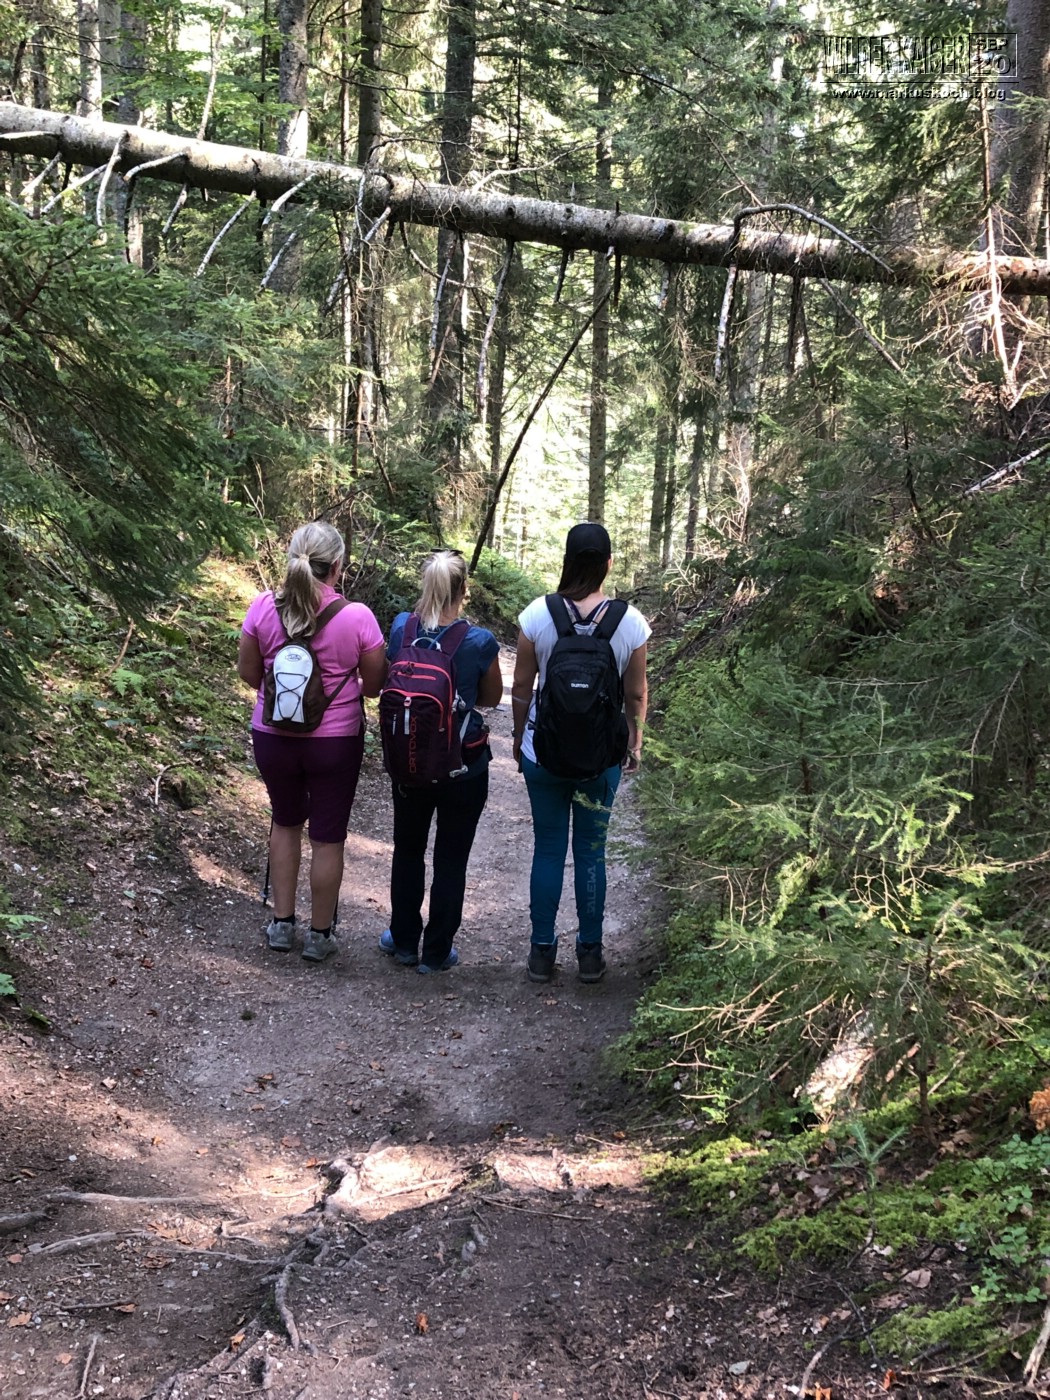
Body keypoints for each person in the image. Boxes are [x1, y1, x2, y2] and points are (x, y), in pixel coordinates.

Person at [238, 522, 387, 962]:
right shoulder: (357, 617)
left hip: (272, 737)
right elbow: (374, 686)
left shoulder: (262, 607)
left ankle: (282, 925)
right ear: (337, 566)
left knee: (285, 822)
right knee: (327, 836)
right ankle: (320, 935)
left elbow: (249, 673)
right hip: (335, 742)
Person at [510, 522, 649, 983]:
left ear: (567, 561)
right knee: (591, 852)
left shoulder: (537, 614)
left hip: (543, 752)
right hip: (601, 758)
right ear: (608, 564)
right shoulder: (630, 622)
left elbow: (522, 687)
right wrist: (635, 743)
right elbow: (636, 694)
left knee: (548, 849)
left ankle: (541, 952)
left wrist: (519, 738)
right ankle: (590, 953)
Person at [379, 550, 503, 974]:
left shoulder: (402, 627)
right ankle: (436, 952)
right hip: (462, 767)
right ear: (464, 589)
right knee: (451, 858)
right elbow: (491, 698)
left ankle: (402, 941)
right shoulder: (479, 641)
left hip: (410, 762)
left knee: (408, 850)